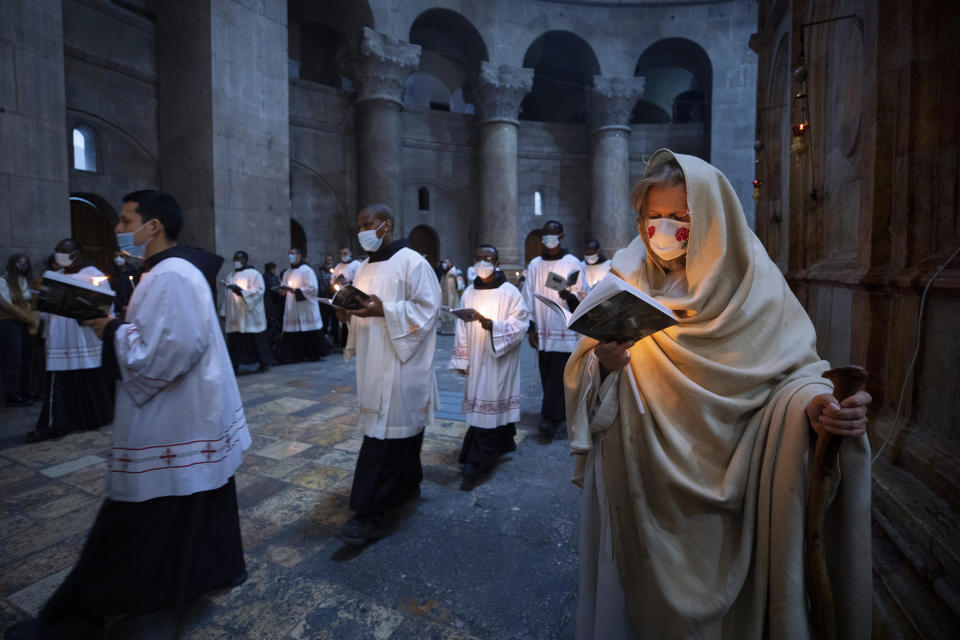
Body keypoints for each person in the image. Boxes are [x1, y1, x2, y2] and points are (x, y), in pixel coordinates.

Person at [564, 150, 872, 639]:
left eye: (681, 218)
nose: (663, 231)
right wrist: (604, 366)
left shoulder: (755, 286)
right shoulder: (626, 275)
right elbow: (585, 372)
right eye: (653, 218)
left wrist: (818, 409)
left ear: (712, 217)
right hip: (637, 476)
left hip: (732, 484)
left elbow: (794, 376)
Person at [6, 190, 251, 639]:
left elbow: (169, 352)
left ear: (152, 226)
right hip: (193, 410)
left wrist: (110, 327)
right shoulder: (167, 271)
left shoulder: (171, 275)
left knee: (137, 511)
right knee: (201, 495)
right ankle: (217, 568)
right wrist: (121, 322)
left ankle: (77, 615)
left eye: (124, 221)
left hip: (173, 414)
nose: (118, 230)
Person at [335, 203, 441, 545]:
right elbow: (360, 310)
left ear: (387, 225)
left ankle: (368, 512)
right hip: (372, 358)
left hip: (401, 360)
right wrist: (346, 316)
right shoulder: (363, 268)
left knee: (385, 434)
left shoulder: (413, 262)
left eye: (369, 222)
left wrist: (386, 311)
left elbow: (428, 309)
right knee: (397, 432)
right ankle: (408, 485)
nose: (363, 229)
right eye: (359, 224)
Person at [449, 244, 529, 481]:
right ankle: (502, 442)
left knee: (491, 401)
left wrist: (495, 326)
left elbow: (521, 322)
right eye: (478, 258)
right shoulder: (468, 293)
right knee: (482, 403)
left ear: (497, 262)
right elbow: (461, 328)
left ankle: (478, 457)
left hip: (499, 359)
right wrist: (461, 358)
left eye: (488, 258)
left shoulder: (509, 292)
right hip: (475, 356)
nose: (482, 263)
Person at [26, 239, 115, 443]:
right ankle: (57, 423)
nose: (60, 255)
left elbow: (105, 308)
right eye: (57, 251)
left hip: (84, 334)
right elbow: (44, 310)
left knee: (88, 375)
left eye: (65, 251)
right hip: (60, 337)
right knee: (60, 381)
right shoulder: (53, 277)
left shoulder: (94, 275)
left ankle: (95, 417)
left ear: (78, 254)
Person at [520, 219, 584, 440]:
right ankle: (558, 413)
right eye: (546, 233)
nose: (549, 237)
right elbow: (527, 296)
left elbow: (582, 295)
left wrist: (569, 295)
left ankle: (550, 419)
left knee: (558, 375)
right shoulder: (536, 264)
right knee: (546, 372)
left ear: (561, 236)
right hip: (543, 330)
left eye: (553, 233)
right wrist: (531, 327)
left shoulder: (572, 262)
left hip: (563, 329)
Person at [220, 250, 270, 373]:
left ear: (245, 260)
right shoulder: (230, 275)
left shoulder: (254, 274)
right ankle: (235, 363)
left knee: (255, 337)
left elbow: (259, 291)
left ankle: (263, 363)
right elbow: (226, 295)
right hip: (235, 313)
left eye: (239, 258)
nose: (236, 261)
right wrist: (224, 311)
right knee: (235, 339)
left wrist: (242, 292)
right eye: (235, 259)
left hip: (250, 314)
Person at [276, 247, 329, 363]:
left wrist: (297, 291)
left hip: (305, 305)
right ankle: (295, 355)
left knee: (308, 328)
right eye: (289, 254)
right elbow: (284, 285)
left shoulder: (307, 270)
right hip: (293, 305)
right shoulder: (287, 272)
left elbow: (313, 288)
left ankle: (313, 354)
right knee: (294, 329)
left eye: (293, 254)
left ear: (299, 256)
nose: (290, 256)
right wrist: (283, 291)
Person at [0, 253, 38, 406]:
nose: (22, 266)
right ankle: (12, 393)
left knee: (28, 358)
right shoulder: (3, 281)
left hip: (27, 323)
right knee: (13, 357)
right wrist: (30, 318)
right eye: (19, 263)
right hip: (10, 321)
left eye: (25, 263)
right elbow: (7, 305)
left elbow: (33, 302)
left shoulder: (26, 281)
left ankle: (26, 390)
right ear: (12, 263)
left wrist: (35, 317)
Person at [331, 247, 362, 348]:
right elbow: (332, 280)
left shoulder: (356, 265)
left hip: (353, 296)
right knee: (344, 322)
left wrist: (350, 283)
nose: (343, 255)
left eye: (345, 253)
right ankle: (345, 344)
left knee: (354, 320)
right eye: (341, 253)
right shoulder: (338, 266)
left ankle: (356, 344)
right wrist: (335, 282)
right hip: (341, 297)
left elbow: (361, 279)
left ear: (350, 253)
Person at [438, 259, 464, 335]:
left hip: (453, 297)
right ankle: (446, 330)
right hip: (445, 297)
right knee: (445, 312)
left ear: (450, 264)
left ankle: (453, 330)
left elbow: (461, 286)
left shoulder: (455, 273)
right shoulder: (444, 274)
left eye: (446, 262)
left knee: (452, 312)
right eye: (444, 262)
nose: (444, 264)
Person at [109, 250, 138, 318]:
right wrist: (121, 306)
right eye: (116, 256)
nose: (118, 259)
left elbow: (136, 289)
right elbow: (109, 292)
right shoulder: (110, 273)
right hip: (117, 311)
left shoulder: (133, 272)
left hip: (132, 309)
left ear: (126, 258)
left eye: (121, 256)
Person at [263, 262, 283, 357]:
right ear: (272, 270)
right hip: (272, 308)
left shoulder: (264, 277)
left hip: (268, 308)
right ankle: (272, 353)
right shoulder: (271, 279)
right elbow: (276, 291)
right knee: (272, 331)